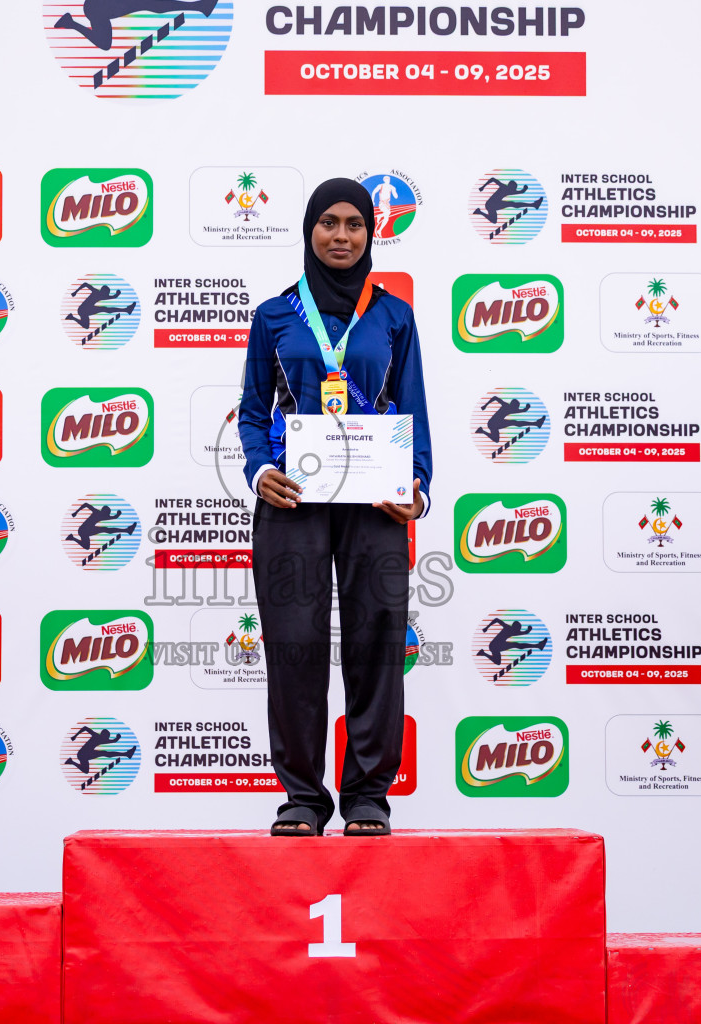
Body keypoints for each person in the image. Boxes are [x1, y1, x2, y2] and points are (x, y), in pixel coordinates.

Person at [238, 178, 432, 838]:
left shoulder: (394, 315)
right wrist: (261, 469)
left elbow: (414, 410)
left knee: (375, 644)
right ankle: (301, 796)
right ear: (308, 230)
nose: (341, 235)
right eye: (328, 223)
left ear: (371, 235)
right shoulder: (275, 314)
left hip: (374, 504)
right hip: (294, 501)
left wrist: (418, 487)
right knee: (294, 646)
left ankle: (368, 795)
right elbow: (251, 412)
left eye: (354, 223)